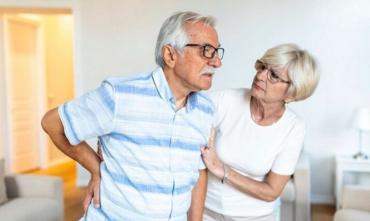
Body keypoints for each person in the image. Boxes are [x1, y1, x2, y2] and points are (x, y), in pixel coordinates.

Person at [41, 11, 224, 221]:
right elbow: (52, 123)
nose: (217, 62)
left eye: (217, 52)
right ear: (170, 55)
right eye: (207, 51)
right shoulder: (120, 95)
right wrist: (96, 168)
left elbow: (198, 170)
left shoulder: (206, 109)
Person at [201, 43, 320, 221]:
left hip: (255, 217)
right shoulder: (224, 100)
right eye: (263, 67)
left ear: (291, 93)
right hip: (206, 211)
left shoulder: (294, 128)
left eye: (273, 75)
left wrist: (221, 169)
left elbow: (271, 191)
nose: (260, 75)